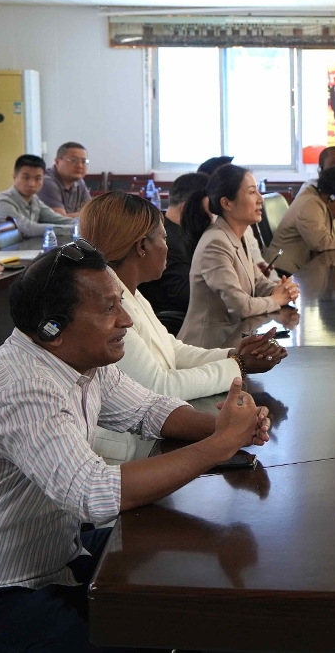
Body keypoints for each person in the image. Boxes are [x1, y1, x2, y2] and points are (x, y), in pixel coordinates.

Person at [0, 242, 271, 653]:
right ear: (52, 328)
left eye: (121, 304)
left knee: (181, 581)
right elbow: (93, 493)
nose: (125, 320)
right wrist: (219, 445)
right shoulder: (20, 387)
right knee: (147, 625)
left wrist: (226, 426)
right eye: (108, 309)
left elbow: (149, 410)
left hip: (44, 561)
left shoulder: (82, 362)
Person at [78, 191, 288, 460]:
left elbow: (173, 350)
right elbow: (159, 386)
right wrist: (239, 366)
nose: (168, 247)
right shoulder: (106, 306)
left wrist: (234, 355)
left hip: (154, 435)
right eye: (164, 238)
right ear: (142, 247)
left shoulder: (129, 291)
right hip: (127, 455)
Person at [180, 165, 300, 349]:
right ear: (227, 203)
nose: (261, 199)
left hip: (234, 338)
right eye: (252, 192)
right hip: (208, 348)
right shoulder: (215, 243)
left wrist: (282, 289)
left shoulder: (239, 236)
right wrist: (277, 299)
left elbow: (258, 282)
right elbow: (241, 306)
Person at [268, 166, 335, 273]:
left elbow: (334, 231)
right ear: (332, 197)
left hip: (302, 271)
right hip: (281, 273)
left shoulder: (324, 202)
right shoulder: (310, 204)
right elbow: (321, 242)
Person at [137, 172, 207, 317]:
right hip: (176, 321)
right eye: (209, 209)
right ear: (186, 208)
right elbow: (187, 297)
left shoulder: (178, 232)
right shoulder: (165, 241)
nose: (212, 217)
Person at [0, 154, 77, 238]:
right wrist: (74, 229)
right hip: (3, 249)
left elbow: (57, 219)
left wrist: (81, 224)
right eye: (26, 178)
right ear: (14, 177)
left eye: (37, 179)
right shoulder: (2, 202)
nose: (31, 184)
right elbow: (29, 229)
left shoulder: (34, 199)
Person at [38, 142, 91, 217]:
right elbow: (59, 219)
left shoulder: (79, 181)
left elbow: (92, 210)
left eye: (84, 161)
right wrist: (87, 215)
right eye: (73, 160)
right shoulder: (47, 182)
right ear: (57, 162)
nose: (80, 166)